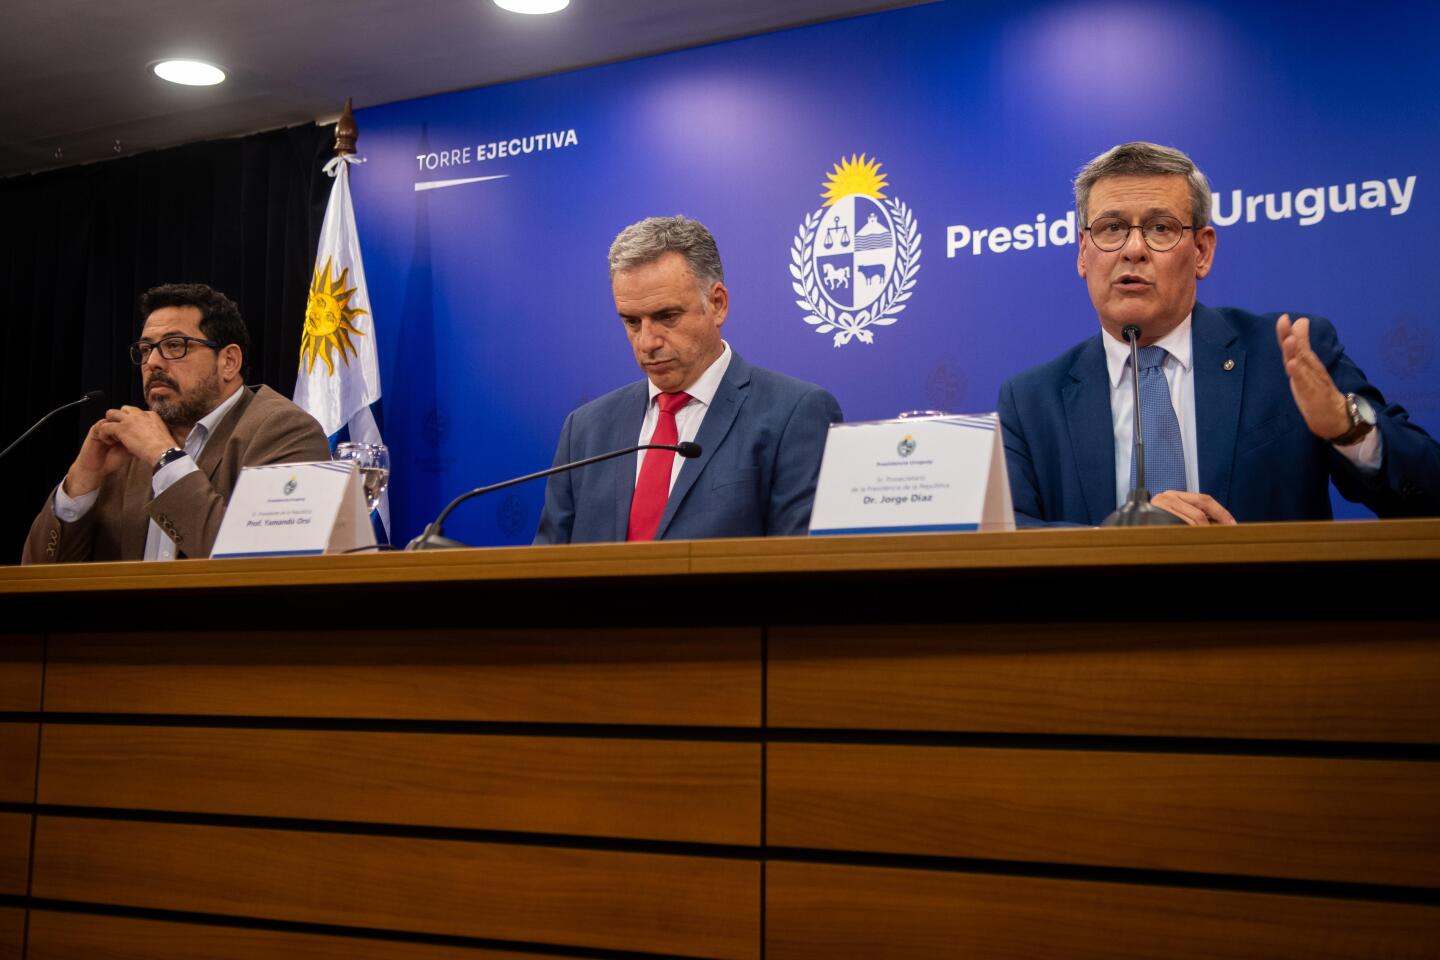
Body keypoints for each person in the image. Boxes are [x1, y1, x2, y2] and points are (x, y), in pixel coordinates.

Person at [997, 142, 1440, 525]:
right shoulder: (1032, 401)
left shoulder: (1283, 358)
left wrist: (1348, 428)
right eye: (1111, 228)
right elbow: (1006, 538)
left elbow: (1428, 493)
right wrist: (1117, 538)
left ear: (1202, 251)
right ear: (1082, 253)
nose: (1133, 249)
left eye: (1159, 228)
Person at [535, 215, 842, 543]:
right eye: (632, 321)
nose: (647, 342)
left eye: (666, 317)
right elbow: (546, 567)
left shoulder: (793, 415)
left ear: (717, 304)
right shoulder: (584, 430)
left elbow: (802, 568)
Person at [23, 283, 331, 562]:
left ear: (228, 361)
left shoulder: (284, 431)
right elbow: (38, 575)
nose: (153, 362)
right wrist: (82, 481)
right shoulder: (126, 446)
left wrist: (166, 458)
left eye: (175, 345)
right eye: (146, 349)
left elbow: (263, 562)